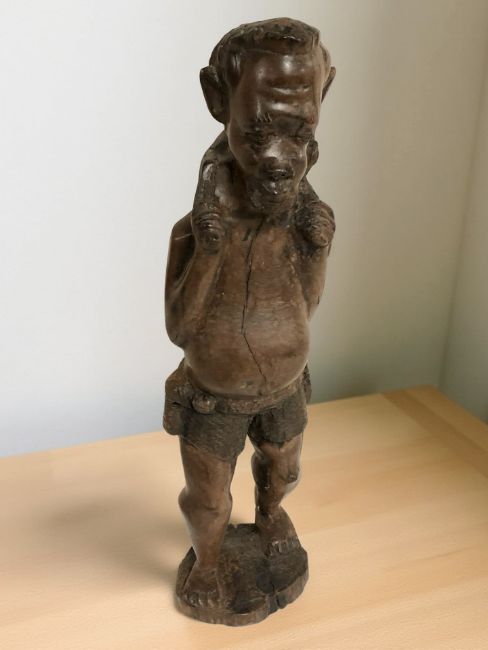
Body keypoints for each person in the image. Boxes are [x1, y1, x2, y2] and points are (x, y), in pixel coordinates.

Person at [164, 17, 335, 608]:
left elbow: (307, 304)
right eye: (258, 129)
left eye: (297, 132)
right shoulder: (196, 230)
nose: (278, 158)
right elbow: (180, 328)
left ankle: (271, 514)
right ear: (219, 100)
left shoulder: (302, 218)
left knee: (284, 469)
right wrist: (209, 252)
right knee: (209, 497)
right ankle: (207, 563)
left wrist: (318, 249)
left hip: (284, 384)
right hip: (214, 393)